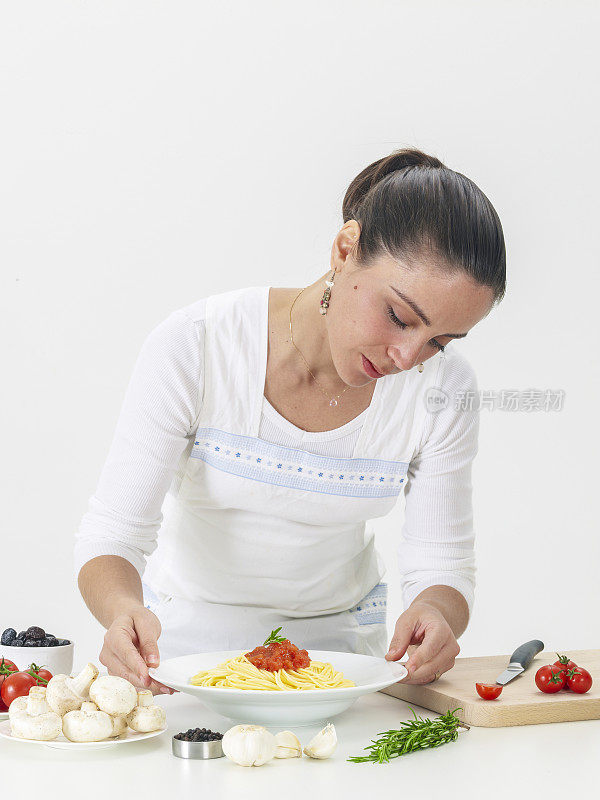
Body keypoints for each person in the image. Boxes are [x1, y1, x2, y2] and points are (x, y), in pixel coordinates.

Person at [75, 147, 505, 695]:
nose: (407, 356)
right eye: (398, 317)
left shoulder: (443, 389)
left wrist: (436, 613)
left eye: (439, 342)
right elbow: (113, 533)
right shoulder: (198, 346)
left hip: (346, 675)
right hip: (180, 667)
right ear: (345, 250)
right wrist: (121, 611)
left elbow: (443, 563)